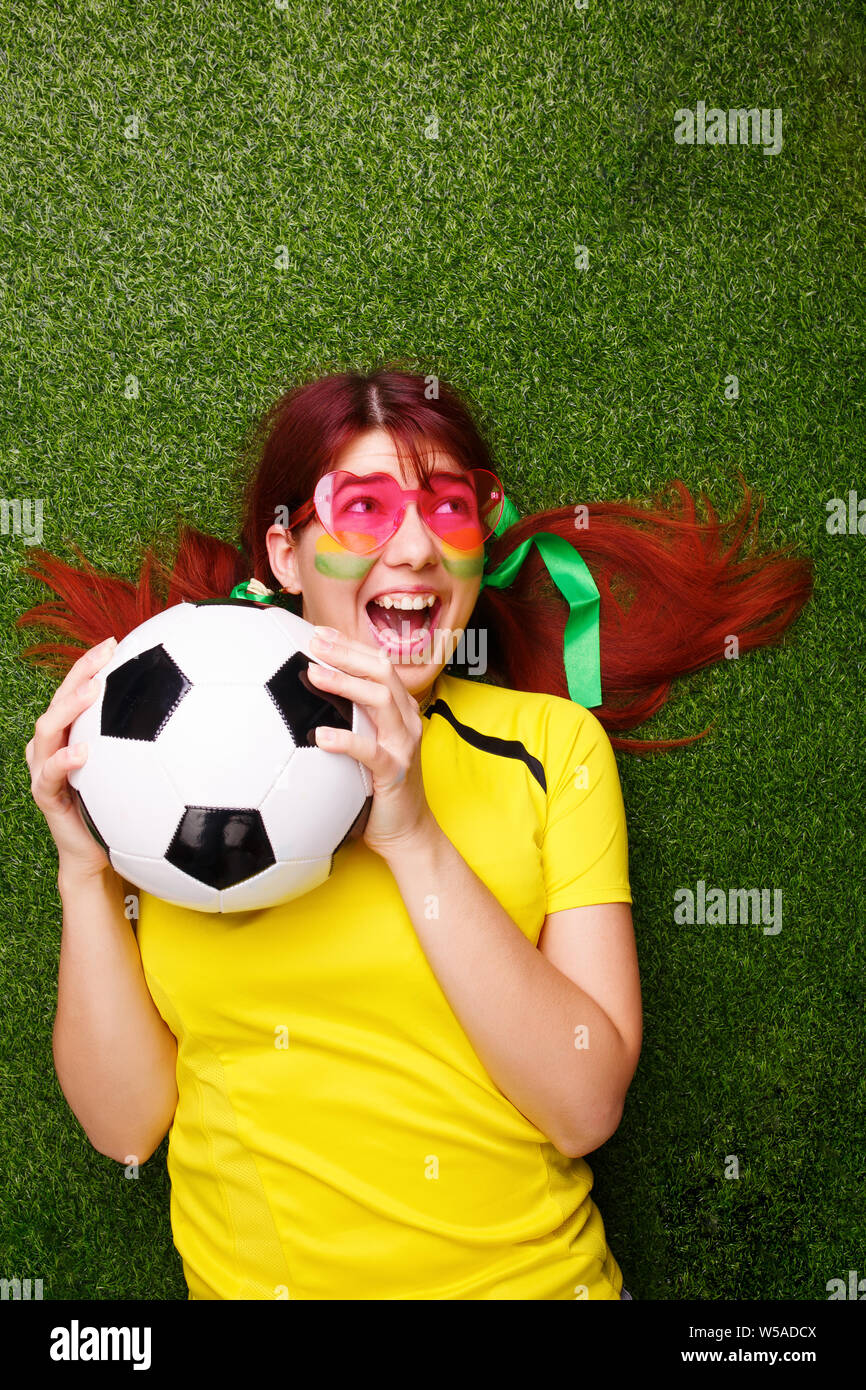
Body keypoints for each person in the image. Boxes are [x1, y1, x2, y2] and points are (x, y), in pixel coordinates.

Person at [19, 366, 813, 1300]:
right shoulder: (166, 766)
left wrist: (409, 829)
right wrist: (82, 865)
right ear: (285, 552)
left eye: (446, 511)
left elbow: (584, 1105)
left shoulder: (550, 749)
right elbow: (125, 1129)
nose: (413, 550)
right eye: (362, 509)